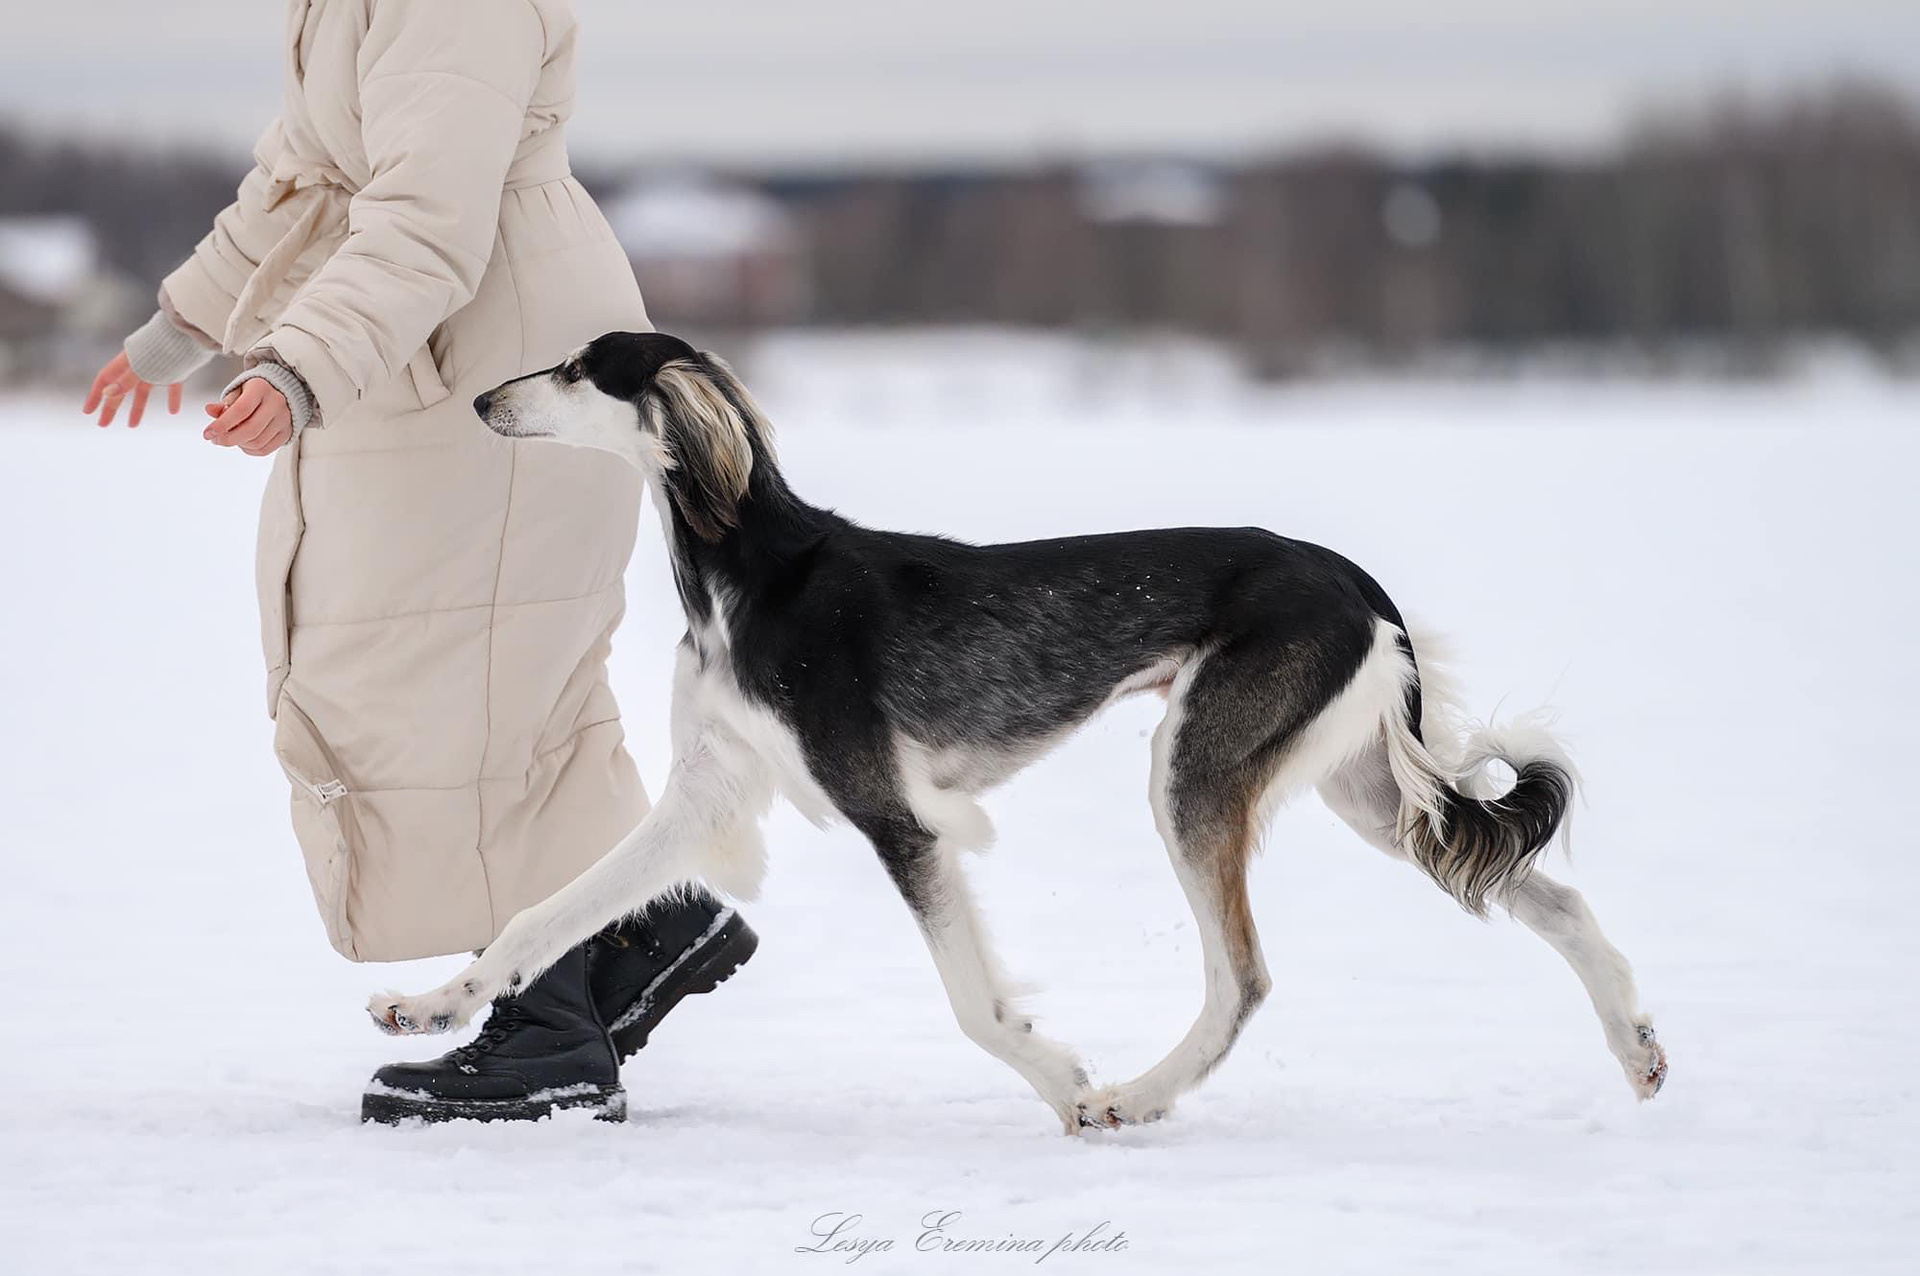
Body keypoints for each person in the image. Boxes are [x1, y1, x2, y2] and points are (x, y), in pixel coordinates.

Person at [81, 0, 755, 1126]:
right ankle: (643, 923)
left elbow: (426, 222)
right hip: (449, 350)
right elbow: (300, 180)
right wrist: (179, 328)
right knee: (509, 688)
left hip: (496, 364)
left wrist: (300, 364)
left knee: (463, 694)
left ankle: (548, 1027)